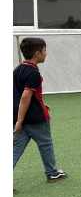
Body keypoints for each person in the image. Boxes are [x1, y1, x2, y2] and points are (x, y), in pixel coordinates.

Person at [13, 37, 67, 185]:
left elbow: (18, 94)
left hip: (19, 116)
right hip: (34, 118)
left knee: (16, 148)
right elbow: (25, 96)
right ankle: (52, 173)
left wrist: (18, 119)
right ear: (37, 53)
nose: (46, 53)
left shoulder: (17, 70)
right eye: (44, 50)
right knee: (45, 144)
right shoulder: (33, 73)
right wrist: (20, 121)